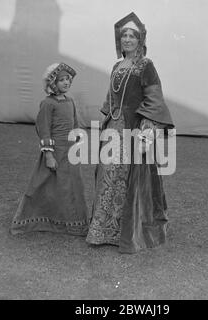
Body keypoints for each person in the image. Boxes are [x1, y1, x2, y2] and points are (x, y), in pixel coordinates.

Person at [86, 12, 174, 253]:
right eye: (123, 35)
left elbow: (154, 99)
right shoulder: (117, 65)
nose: (127, 39)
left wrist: (147, 131)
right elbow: (111, 99)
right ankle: (103, 229)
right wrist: (106, 119)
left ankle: (125, 232)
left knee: (127, 178)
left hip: (132, 131)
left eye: (132, 36)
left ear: (140, 39)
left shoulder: (146, 65)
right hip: (113, 129)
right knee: (107, 175)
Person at [10, 63, 88, 236]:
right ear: (52, 83)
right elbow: (44, 129)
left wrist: (78, 143)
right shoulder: (47, 104)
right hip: (55, 151)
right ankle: (33, 219)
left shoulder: (70, 101)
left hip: (70, 153)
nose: (66, 83)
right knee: (44, 185)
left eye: (68, 79)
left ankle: (73, 223)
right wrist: (49, 155)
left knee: (71, 186)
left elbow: (75, 125)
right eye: (61, 80)